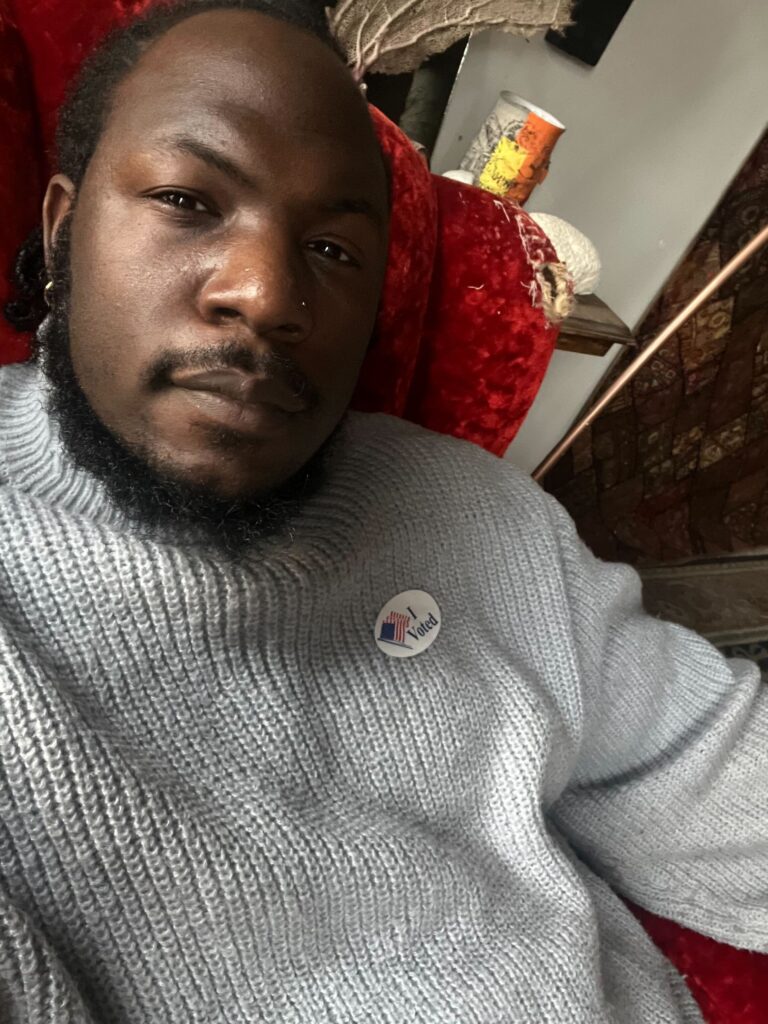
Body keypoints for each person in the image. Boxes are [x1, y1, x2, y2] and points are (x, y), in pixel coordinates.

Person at [0, 2, 765, 1022]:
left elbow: (699, 751)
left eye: (333, 249)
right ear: (62, 230)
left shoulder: (470, 509)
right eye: (188, 198)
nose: (268, 293)